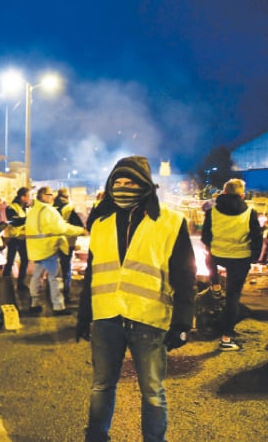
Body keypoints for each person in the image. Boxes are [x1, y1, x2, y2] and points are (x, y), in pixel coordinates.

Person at [76, 156, 196, 442]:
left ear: (144, 185)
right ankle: (96, 438)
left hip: (149, 317)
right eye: (117, 182)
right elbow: (92, 272)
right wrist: (84, 316)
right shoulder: (101, 222)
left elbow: (185, 275)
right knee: (101, 387)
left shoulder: (169, 221)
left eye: (129, 182)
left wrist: (182, 321)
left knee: (153, 391)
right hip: (106, 317)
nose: (122, 187)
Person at [200, 178, 262, 351]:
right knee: (233, 298)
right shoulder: (250, 213)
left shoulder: (212, 212)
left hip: (218, 255)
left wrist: (214, 246)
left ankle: (216, 286)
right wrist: (254, 259)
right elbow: (256, 239)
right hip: (240, 260)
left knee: (208, 257)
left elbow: (205, 237)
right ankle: (226, 338)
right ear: (242, 195)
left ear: (224, 192)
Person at [26, 186, 86, 315]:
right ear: (43, 196)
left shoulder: (33, 211)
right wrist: (81, 230)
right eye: (49, 194)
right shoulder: (48, 211)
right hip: (47, 248)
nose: (52, 197)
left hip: (36, 249)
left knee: (36, 276)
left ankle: (33, 303)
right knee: (55, 278)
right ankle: (58, 306)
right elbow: (61, 228)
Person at [53, 187, 86, 303]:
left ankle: (53, 293)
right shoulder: (68, 208)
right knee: (66, 269)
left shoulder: (51, 208)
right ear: (67, 197)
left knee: (54, 270)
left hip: (53, 242)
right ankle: (65, 294)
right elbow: (78, 225)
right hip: (67, 243)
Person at [3, 187, 30, 292]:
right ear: (22, 197)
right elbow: (14, 222)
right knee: (10, 261)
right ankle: (5, 283)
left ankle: (21, 283)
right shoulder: (11, 208)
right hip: (13, 238)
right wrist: (28, 219)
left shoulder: (26, 208)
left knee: (25, 260)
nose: (29, 198)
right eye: (28, 196)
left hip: (23, 238)